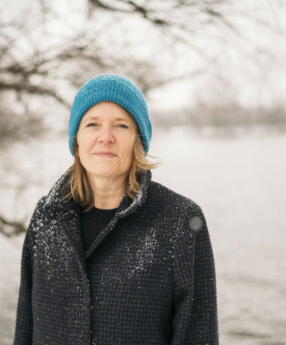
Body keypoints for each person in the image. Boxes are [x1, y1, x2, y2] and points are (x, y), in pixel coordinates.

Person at [13, 73, 218, 345]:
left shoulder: (180, 220)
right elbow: (25, 330)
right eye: (92, 124)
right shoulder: (47, 215)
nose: (105, 137)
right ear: (76, 140)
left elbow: (198, 334)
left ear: (138, 141)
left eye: (121, 125)